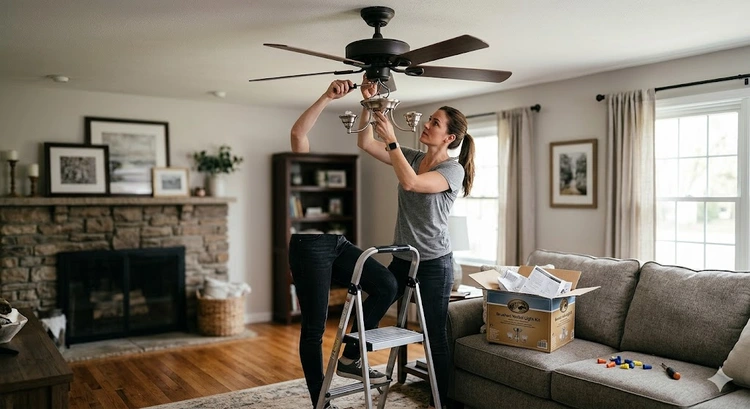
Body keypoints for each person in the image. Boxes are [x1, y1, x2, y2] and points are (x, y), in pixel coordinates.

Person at [356, 80, 475, 409]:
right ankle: (353, 355)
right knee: (378, 294)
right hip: (403, 256)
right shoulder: (413, 156)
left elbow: (411, 182)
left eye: (434, 122)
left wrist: (392, 139)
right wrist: (372, 106)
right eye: (430, 119)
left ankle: (443, 401)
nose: (426, 123)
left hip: (435, 264)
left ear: (449, 137)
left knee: (433, 333)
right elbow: (366, 143)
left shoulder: (452, 170)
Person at [288, 79, 399, 409]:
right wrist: (327, 96)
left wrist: (372, 100)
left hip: (338, 242)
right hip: (308, 247)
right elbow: (297, 134)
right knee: (314, 329)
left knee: (386, 285)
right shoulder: (302, 162)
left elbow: (366, 141)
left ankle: (352, 355)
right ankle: (319, 400)